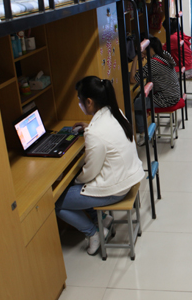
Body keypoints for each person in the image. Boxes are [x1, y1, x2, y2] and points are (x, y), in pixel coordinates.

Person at [55, 77, 145, 256]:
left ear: (89, 102)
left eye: (80, 100)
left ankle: (93, 233)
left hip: (115, 189)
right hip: (129, 177)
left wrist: (74, 181)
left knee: (57, 202)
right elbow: (105, 136)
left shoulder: (95, 132)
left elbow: (90, 173)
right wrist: (90, 127)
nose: (79, 104)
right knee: (77, 187)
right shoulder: (115, 112)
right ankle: (103, 218)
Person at [130, 36, 181, 144]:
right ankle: (143, 128)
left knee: (136, 103)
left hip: (166, 99)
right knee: (141, 96)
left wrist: (136, 58)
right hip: (175, 94)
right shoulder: (165, 54)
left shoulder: (153, 63)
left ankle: (143, 134)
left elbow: (133, 79)